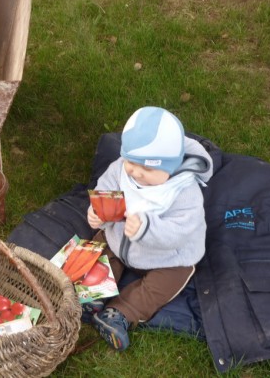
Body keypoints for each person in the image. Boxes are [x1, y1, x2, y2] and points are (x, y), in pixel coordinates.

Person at [85, 106, 213, 351]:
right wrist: (98, 214)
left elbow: (179, 232)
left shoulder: (184, 191)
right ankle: (91, 295)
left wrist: (147, 229)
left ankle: (120, 313)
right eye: (132, 163)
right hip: (119, 241)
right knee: (99, 246)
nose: (137, 173)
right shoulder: (121, 168)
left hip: (167, 256)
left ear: (172, 167)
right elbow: (105, 191)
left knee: (167, 282)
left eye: (149, 169)